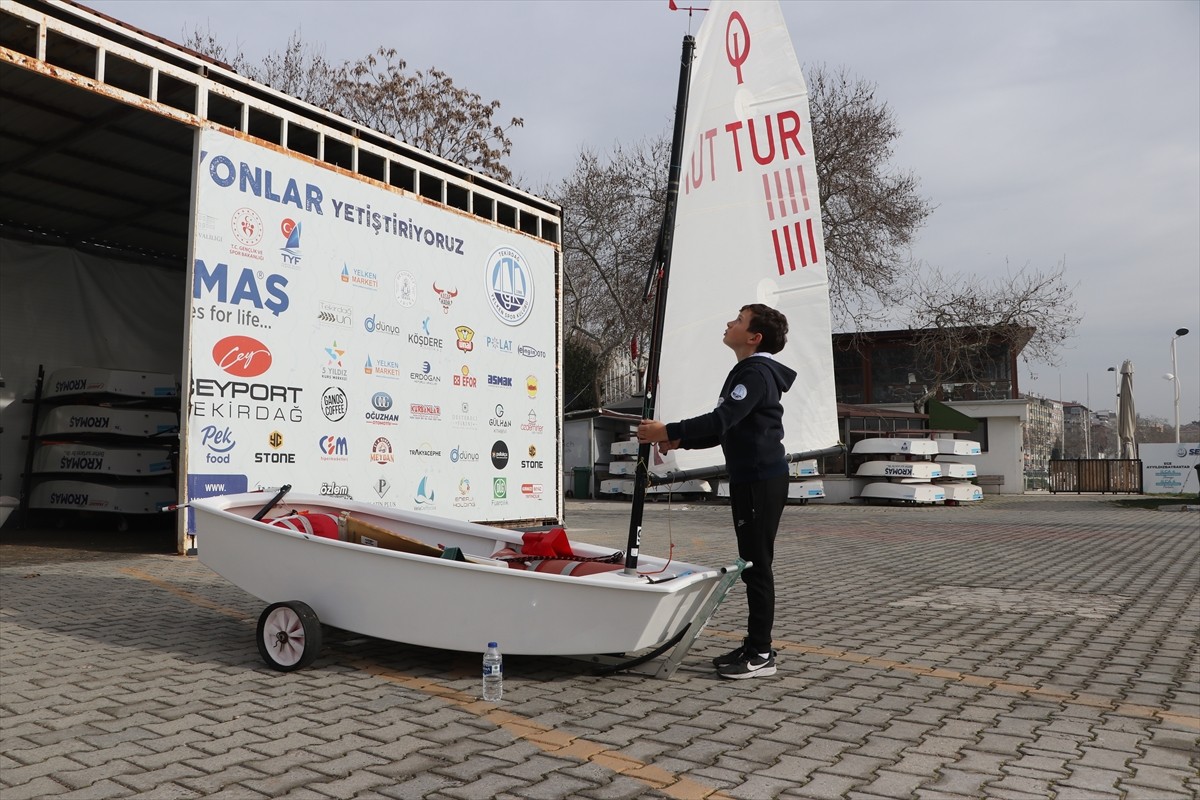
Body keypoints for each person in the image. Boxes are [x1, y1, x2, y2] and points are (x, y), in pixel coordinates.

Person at [637, 303, 795, 680]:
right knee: (751, 563)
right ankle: (756, 644)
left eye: (738, 320)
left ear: (754, 337)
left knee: (756, 566)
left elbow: (721, 419)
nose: (729, 323)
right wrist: (678, 441)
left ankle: (760, 655)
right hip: (751, 479)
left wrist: (666, 429)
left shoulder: (755, 373)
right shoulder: (749, 371)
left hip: (760, 479)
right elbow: (727, 428)